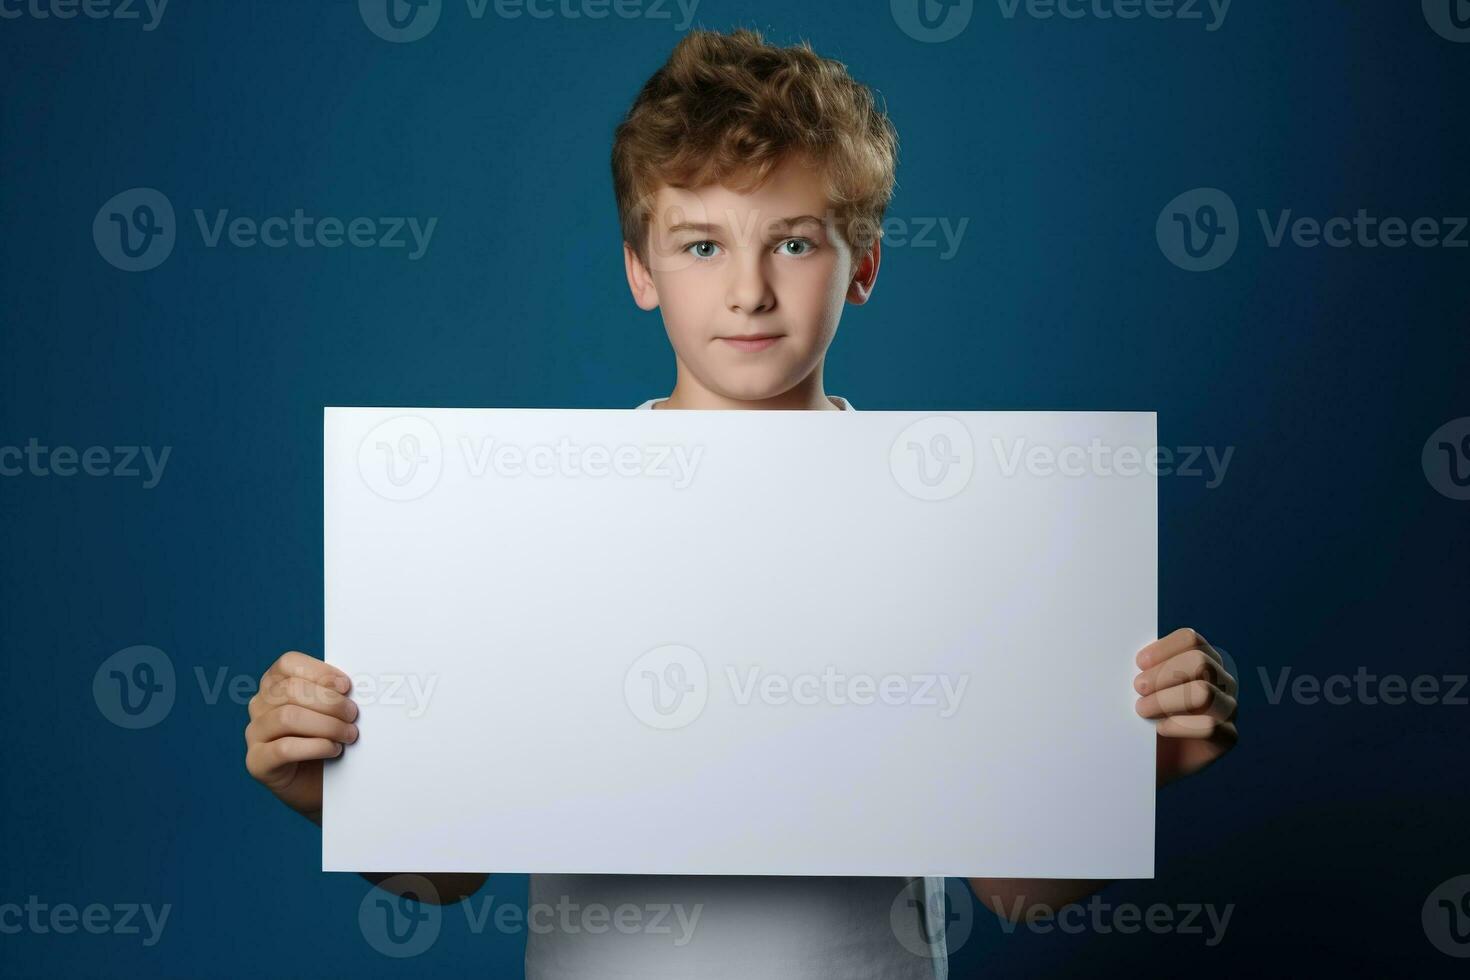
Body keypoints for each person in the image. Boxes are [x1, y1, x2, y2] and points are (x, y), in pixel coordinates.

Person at [243, 27, 1239, 979]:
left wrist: (1141, 761)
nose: (750, 291)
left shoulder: (952, 517)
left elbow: (1016, 887)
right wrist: (327, 790)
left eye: (795, 244)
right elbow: (450, 869)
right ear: (641, 267)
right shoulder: (542, 517)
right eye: (701, 245)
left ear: (865, 264)